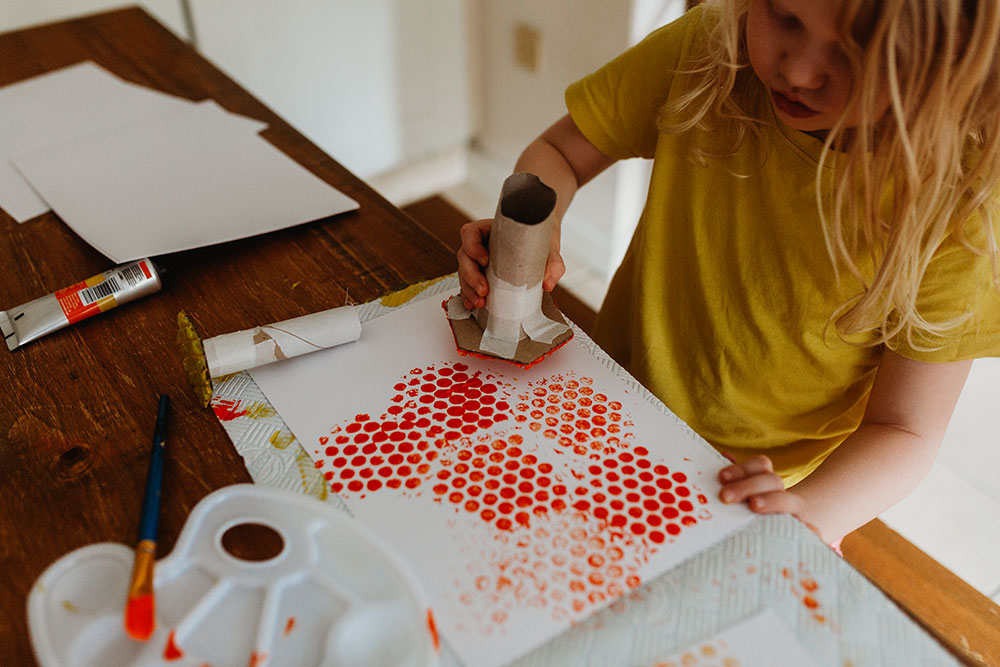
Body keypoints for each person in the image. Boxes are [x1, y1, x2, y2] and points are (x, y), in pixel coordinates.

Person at [457, 0, 1000, 545]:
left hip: (736, 491)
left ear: (949, 64)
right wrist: (534, 229)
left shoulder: (958, 212)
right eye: (783, 15)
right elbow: (559, 152)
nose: (797, 71)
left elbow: (906, 430)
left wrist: (809, 515)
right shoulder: (710, 51)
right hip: (609, 402)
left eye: (854, 52)